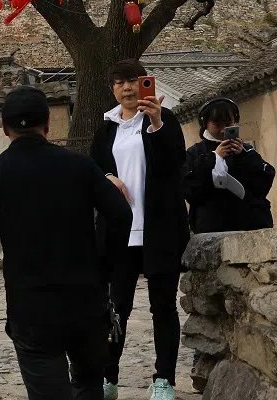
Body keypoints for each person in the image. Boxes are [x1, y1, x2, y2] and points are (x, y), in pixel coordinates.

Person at [0, 86, 133, 400]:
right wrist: (106, 265)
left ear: (4, 127)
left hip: (32, 312)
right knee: (88, 387)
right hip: (86, 302)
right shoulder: (80, 167)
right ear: (48, 124)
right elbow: (121, 214)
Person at [89, 59, 189, 400]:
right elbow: (93, 171)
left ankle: (164, 379)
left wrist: (157, 122)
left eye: (133, 81)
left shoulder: (165, 120)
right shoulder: (106, 129)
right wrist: (107, 177)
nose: (128, 88)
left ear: (145, 82)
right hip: (120, 235)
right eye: (120, 83)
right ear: (113, 88)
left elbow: (175, 163)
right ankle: (108, 377)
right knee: (116, 309)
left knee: (163, 308)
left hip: (159, 231)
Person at [182, 96, 276, 234]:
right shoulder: (195, 153)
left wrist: (244, 157)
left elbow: (262, 185)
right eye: (217, 124)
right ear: (205, 124)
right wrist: (214, 158)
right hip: (210, 229)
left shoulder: (246, 151)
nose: (222, 130)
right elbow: (189, 189)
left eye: (228, 124)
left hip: (250, 227)